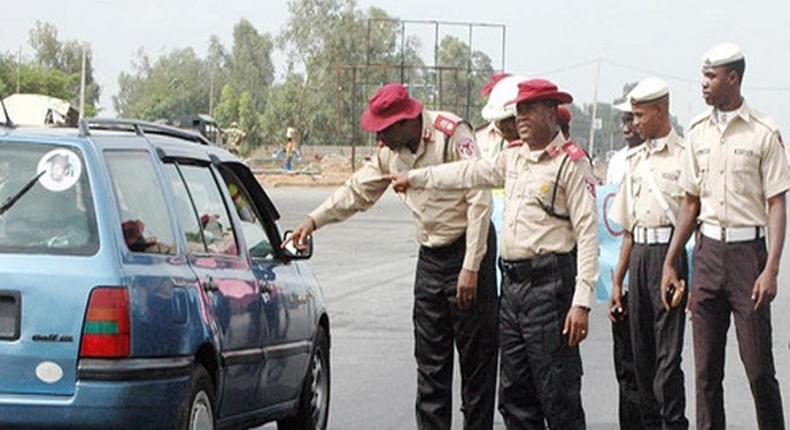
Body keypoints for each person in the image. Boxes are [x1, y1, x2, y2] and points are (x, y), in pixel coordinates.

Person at [287, 83, 499, 430]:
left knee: (477, 367)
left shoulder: (452, 134)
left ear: (406, 121)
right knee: (430, 369)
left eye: (383, 129)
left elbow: (480, 199)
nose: (379, 139)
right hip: (431, 257)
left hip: (469, 250)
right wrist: (314, 220)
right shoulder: (390, 151)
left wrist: (471, 267)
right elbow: (357, 190)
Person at [389, 78, 599, 429]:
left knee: (557, 395)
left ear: (551, 112)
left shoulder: (570, 163)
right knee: (515, 396)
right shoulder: (512, 156)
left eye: (529, 109)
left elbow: (588, 235)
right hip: (513, 289)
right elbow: (469, 172)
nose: (521, 118)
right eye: (518, 111)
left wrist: (582, 302)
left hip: (550, 287)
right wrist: (418, 178)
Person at [661, 43, 789, 430]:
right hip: (707, 255)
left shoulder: (764, 132)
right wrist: (671, 260)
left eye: (711, 76)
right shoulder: (697, 132)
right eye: (704, 75)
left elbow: (776, 204)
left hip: (748, 257)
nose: (704, 84)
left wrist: (771, 268)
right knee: (705, 374)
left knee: (758, 370)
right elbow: (689, 203)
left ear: (732, 78)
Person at [610, 78, 688, 430]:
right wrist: (616, 280)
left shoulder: (686, 157)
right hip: (639, 257)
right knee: (641, 357)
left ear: (660, 110)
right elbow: (627, 230)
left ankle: (674, 423)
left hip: (669, 259)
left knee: (667, 359)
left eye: (641, 115)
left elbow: (694, 219)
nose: (635, 122)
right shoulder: (635, 160)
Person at [606, 88, 649, 430]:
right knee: (625, 362)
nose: (626, 126)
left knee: (654, 361)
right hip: (619, 274)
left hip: (651, 267)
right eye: (622, 119)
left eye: (631, 119)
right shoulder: (617, 162)